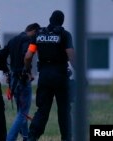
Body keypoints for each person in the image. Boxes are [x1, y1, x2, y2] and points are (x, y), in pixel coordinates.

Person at [24, 10, 75, 141]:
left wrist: (27, 69)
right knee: (64, 109)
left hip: (45, 75)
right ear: (62, 21)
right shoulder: (65, 35)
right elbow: (71, 57)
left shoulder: (39, 35)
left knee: (42, 109)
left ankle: (32, 137)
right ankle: (66, 138)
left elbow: (29, 55)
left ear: (50, 19)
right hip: (60, 75)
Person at [0, 23, 40, 141]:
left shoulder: (13, 40)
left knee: (21, 111)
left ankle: (25, 138)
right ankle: (10, 139)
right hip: (22, 80)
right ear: (33, 31)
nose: (36, 38)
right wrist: (27, 72)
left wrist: (7, 72)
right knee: (22, 113)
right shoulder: (28, 39)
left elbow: (1, 56)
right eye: (36, 34)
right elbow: (26, 56)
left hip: (13, 80)